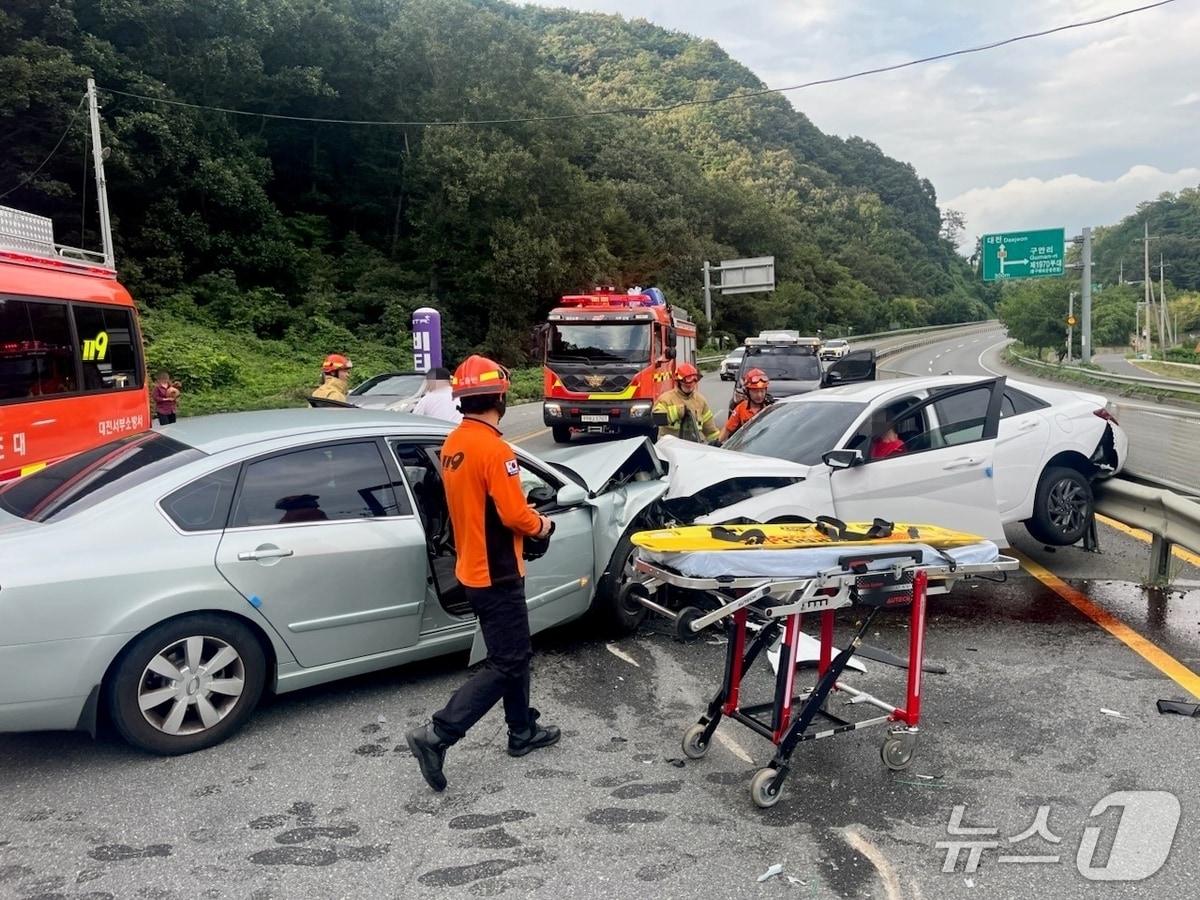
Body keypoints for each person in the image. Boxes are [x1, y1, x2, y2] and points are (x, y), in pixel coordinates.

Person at [406, 355, 559, 792]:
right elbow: (514, 513)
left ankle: (521, 730)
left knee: (514, 652)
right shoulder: (495, 448)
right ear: (500, 398)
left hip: (471, 568)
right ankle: (438, 735)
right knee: (508, 661)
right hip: (498, 573)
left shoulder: (454, 443)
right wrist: (542, 524)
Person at [652, 362, 719, 443]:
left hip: (693, 448)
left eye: (693, 382)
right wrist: (678, 411)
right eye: (687, 383)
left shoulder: (700, 400)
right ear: (679, 382)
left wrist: (717, 442)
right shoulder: (666, 399)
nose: (690, 386)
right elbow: (658, 418)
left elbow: (710, 429)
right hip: (670, 448)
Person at [719, 368, 774, 443]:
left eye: (762, 391)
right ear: (747, 391)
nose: (759, 395)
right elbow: (728, 428)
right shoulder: (741, 408)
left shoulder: (771, 407)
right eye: (755, 391)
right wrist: (717, 442)